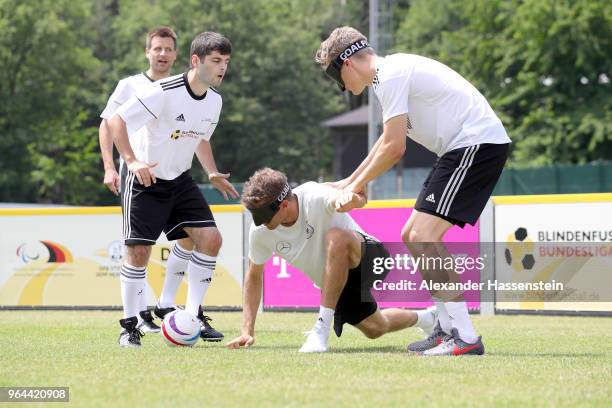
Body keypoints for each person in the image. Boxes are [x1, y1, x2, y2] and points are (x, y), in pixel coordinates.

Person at [315, 26, 512, 356]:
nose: (344, 89)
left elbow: (394, 148)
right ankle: (447, 328)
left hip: (475, 144)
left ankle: (464, 336)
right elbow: (385, 140)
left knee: (422, 235)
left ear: (346, 64)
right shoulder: (387, 76)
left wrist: (356, 186)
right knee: (413, 233)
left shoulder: (390, 75)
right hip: (464, 147)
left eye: (338, 80)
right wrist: (348, 181)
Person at [107, 31, 238, 347]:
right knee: (138, 252)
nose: (222, 68)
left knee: (211, 239)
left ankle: (190, 317)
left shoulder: (215, 100)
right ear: (196, 60)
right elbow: (115, 121)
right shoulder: (163, 91)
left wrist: (212, 172)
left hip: (180, 181)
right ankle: (129, 327)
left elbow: (201, 138)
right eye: (216, 61)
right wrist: (130, 161)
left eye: (226, 62)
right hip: (146, 181)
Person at [226, 168, 437, 353]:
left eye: (263, 216)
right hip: (337, 283)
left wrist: (352, 199)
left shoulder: (314, 195)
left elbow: (352, 197)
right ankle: (428, 318)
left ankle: (321, 330)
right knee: (375, 328)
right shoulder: (260, 232)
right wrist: (246, 331)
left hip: (368, 258)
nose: (260, 223)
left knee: (336, 237)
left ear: (283, 205)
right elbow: (253, 277)